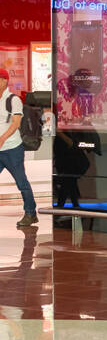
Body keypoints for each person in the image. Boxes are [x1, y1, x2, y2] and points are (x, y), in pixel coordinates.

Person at [0, 68, 36, 229]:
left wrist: (2, 138)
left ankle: (30, 213)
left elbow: (16, 123)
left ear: (4, 81)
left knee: (21, 182)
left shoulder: (13, 100)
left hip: (12, 150)